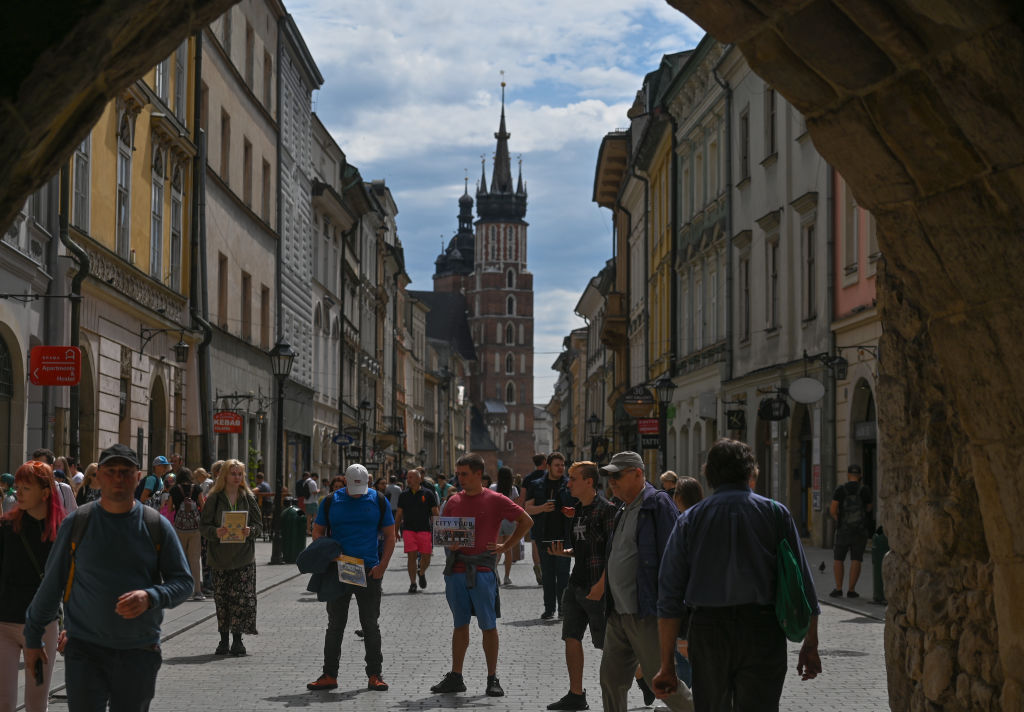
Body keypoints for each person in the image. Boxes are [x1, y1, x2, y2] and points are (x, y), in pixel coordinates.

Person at [653, 438, 821, 711]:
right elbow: (802, 585)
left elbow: (669, 596)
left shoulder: (690, 520)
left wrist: (666, 664)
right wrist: (810, 644)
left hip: (708, 633)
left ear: (708, 474)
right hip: (762, 631)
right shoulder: (776, 514)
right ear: (751, 472)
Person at [24, 443, 192, 711]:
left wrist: (151, 596)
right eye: (111, 471)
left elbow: (184, 582)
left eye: (125, 472)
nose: (118, 478)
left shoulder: (155, 525)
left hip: (139, 651)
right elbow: (52, 584)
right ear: (98, 476)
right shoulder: (78, 523)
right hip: (85, 651)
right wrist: (32, 637)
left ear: (138, 477)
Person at [430, 453, 532, 698]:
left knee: (488, 625)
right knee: (459, 624)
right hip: (456, 570)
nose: (460, 478)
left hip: (483, 570)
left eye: (464, 474)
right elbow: (444, 532)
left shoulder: (496, 499)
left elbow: (525, 521)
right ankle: (456, 676)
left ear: (479, 474)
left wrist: (505, 547)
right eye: (458, 474)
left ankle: (492, 677)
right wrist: (449, 544)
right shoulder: (453, 501)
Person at [597, 451, 693, 712]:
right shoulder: (623, 508)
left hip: (646, 612)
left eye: (617, 475)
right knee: (611, 680)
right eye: (609, 476)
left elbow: (675, 559)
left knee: (660, 682)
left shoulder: (657, 504)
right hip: (618, 612)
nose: (611, 482)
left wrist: (674, 611)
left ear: (637, 474)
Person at [306, 464, 395, 693]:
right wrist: (328, 553)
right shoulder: (330, 501)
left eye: (362, 488)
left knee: (370, 625)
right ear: (345, 481)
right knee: (335, 625)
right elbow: (316, 531)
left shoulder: (378, 500)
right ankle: (329, 675)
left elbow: (390, 536)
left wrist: (382, 566)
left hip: (369, 571)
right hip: (339, 571)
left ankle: (375, 674)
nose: (358, 493)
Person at [545, 461, 617, 711]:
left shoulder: (607, 510)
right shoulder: (577, 509)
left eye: (574, 478)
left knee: (608, 644)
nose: (568, 482)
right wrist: (564, 552)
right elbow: (582, 548)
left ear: (589, 482)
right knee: (571, 637)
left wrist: (602, 585)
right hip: (576, 584)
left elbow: (613, 554)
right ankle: (576, 694)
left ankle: (641, 677)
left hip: (597, 587)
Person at [0, 460, 67, 712]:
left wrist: (68, 624)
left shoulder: (62, 531)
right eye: (17, 487)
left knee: (36, 704)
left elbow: (70, 581)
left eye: (26, 488)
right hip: (4, 624)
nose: (18, 493)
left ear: (45, 492)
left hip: (43, 627)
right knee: (4, 703)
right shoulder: (6, 527)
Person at [199, 458, 262, 656]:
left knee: (241, 600)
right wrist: (215, 532)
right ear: (224, 475)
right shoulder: (215, 498)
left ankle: (237, 640)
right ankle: (223, 640)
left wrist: (250, 531)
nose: (236, 477)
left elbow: (259, 526)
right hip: (220, 558)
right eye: (233, 473)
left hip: (243, 558)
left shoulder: (248, 497)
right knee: (223, 599)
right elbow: (204, 526)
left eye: (239, 474)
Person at [524, 452, 572, 619]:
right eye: (557, 465)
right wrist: (542, 508)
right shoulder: (536, 484)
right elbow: (527, 508)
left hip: (564, 536)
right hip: (544, 535)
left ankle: (563, 609)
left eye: (562, 465)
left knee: (564, 575)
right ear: (549, 466)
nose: (561, 468)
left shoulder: (569, 484)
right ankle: (549, 608)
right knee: (548, 575)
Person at [667, 477, 704, 689]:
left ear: (679, 498)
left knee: (682, 651)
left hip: (688, 598)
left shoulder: (685, 521)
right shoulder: (705, 516)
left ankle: (688, 697)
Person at [830, 464, 872, 598]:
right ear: (860, 476)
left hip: (843, 530)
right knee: (856, 559)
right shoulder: (864, 490)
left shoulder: (841, 490)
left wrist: (839, 519)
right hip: (860, 530)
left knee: (838, 558)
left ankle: (838, 588)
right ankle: (851, 590)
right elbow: (869, 508)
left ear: (848, 475)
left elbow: (833, 510)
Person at [396, 469, 439, 594]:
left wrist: (439, 530)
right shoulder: (403, 495)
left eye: (411, 477)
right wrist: (395, 531)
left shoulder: (428, 493)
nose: (408, 479)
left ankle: (421, 572)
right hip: (409, 530)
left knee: (427, 557)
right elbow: (399, 515)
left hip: (425, 530)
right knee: (411, 557)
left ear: (419, 479)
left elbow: (435, 513)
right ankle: (413, 583)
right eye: (408, 477)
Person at [170, 467, 206, 601]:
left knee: (182, 560)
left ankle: (183, 590)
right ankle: (197, 591)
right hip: (195, 529)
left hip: (179, 528)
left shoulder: (174, 490)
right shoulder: (196, 489)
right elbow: (203, 506)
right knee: (195, 560)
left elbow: (169, 508)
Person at [518, 453, 548, 585]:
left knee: (535, 541)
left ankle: (538, 567)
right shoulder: (549, 476)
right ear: (545, 462)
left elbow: (522, 498)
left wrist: (520, 514)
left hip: (533, 512)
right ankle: (547, 567)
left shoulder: (528, 478)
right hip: (548, 511)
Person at [491, 466, 520, 585]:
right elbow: (516, 508)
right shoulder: (513, 490)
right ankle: (506, 577)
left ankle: (494, 570)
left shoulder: (493, 487)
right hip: (509, 521)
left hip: (496, 521)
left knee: (497, 548)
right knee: (508, 549)